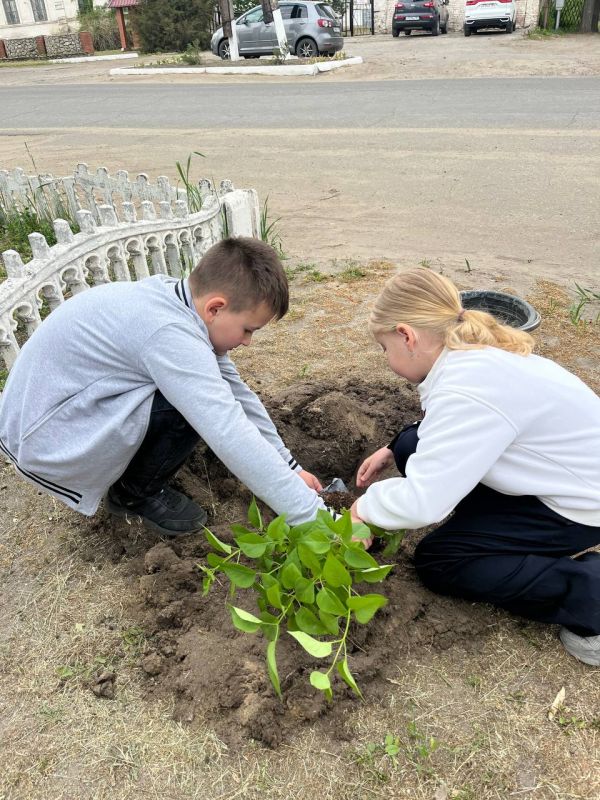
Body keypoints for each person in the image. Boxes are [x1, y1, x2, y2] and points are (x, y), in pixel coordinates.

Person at [351, 268, 600, 666]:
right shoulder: (468, 355)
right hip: (561, 474)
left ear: (406, 335)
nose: (387, 360)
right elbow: (450, 426)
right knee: (412, 446)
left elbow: (423, 504)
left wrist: (361, 510)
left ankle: (590, 595)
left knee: (442, 561)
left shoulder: (469, 389)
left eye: (385, 348)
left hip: (578, 505)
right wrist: (392, 446)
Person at [0, 237, 326, 536]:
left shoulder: (175, 301)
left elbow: (237, 393)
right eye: (247, 330)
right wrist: (317, 521)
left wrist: (290, 467)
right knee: (189, 409)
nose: (247, 342)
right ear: (215, 308)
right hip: (44, 442)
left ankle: (132, 481)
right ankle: (133, 496)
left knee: (202, 393)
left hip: (53, 415)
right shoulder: (169, 334)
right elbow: (229, 430)